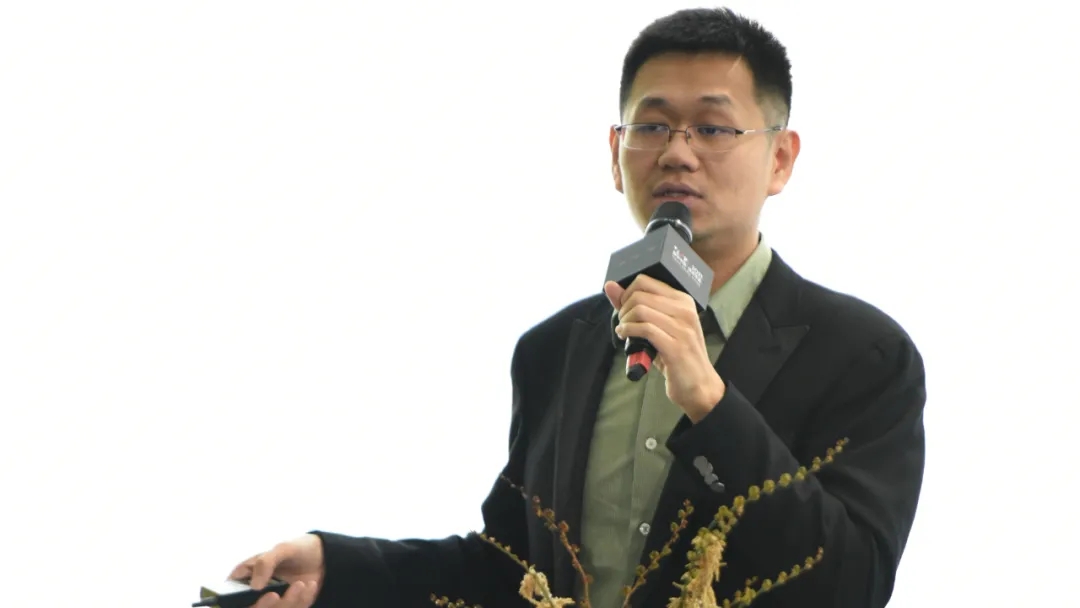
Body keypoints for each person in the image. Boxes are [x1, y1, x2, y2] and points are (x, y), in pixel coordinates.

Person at [227, 7, 926, 608]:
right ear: (616, 153)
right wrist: (338, 569)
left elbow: (853, 585)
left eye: (714, 129)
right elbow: (512, 572)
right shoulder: (554, 349)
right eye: (652, 126)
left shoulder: (862, 355)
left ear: (780, 159)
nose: (677, 153)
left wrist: (711, 406)